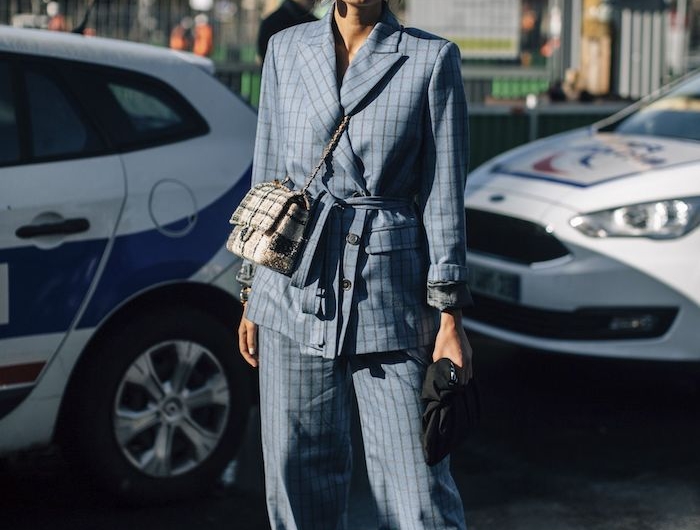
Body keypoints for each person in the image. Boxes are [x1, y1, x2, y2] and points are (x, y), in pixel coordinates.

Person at [237, 0, 473, 528]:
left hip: (390, 294)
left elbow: (443, 195)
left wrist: (450, 316)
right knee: (297, 480)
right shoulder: (285, 49)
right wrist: (252, 289)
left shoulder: (430, 58)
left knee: (418, 492)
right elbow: (269, 171)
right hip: (292, 284)